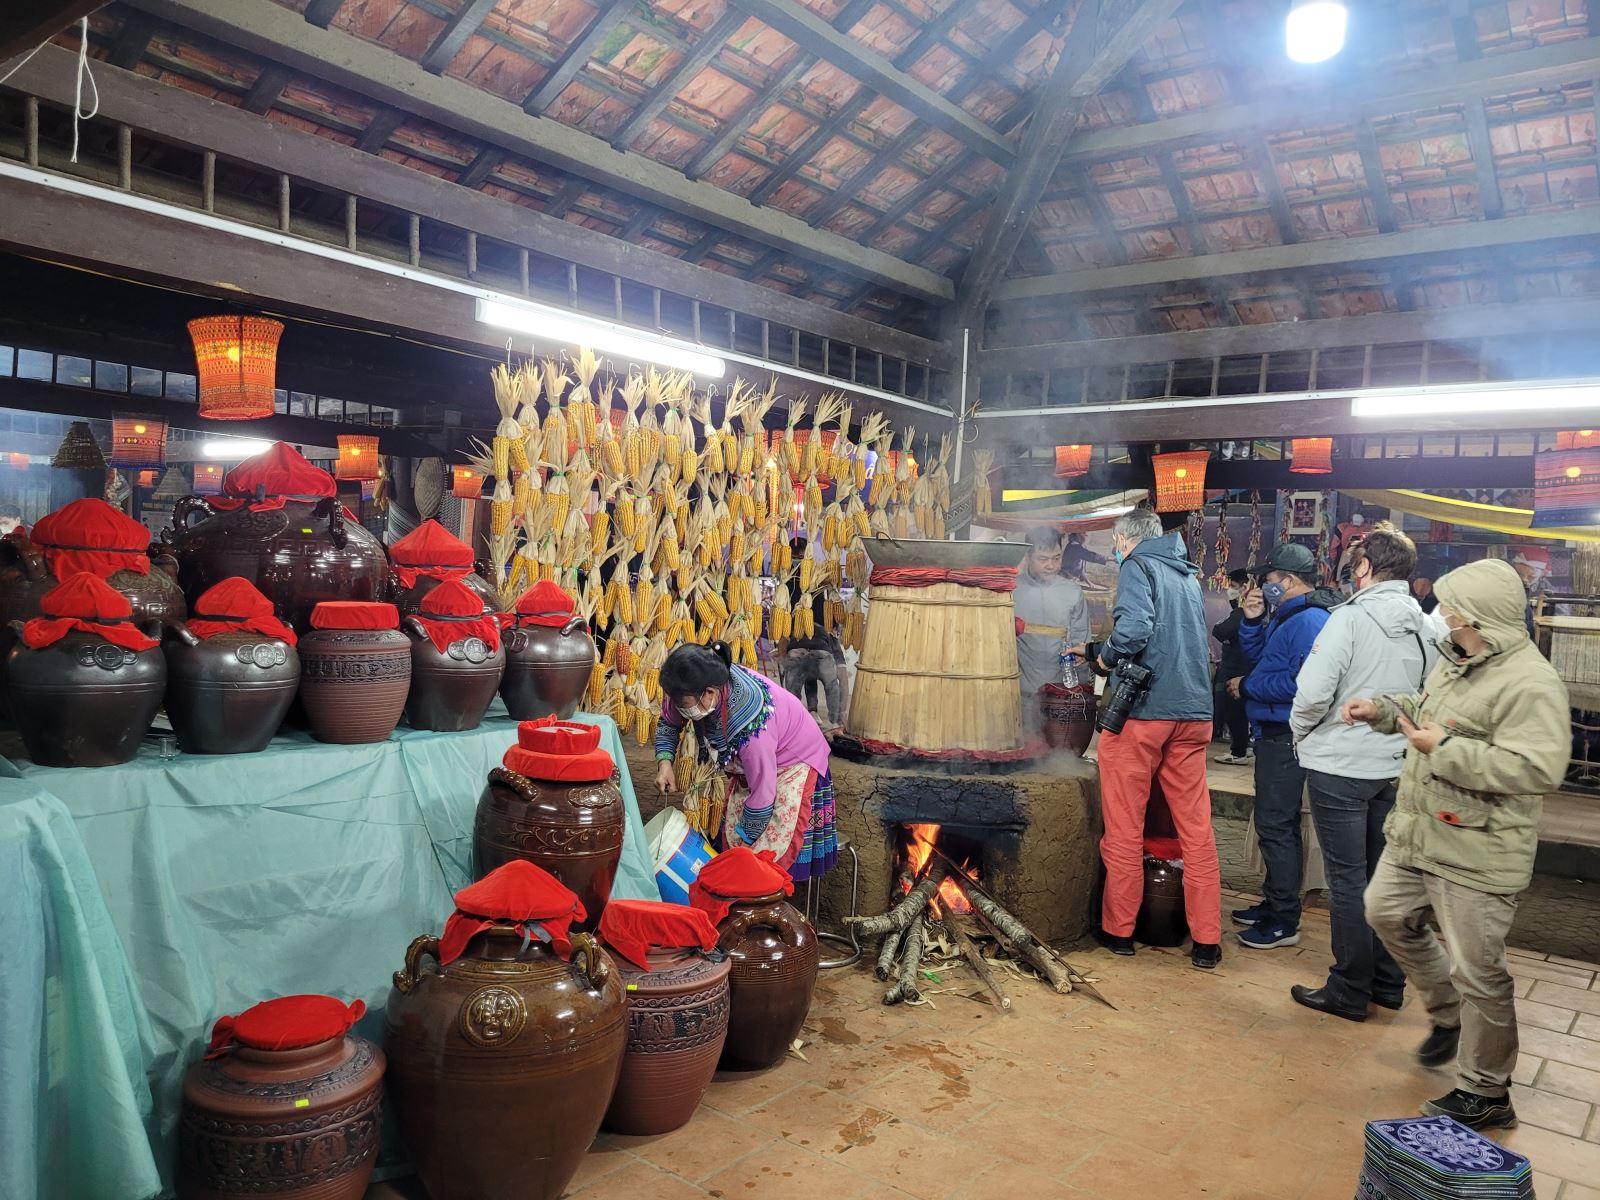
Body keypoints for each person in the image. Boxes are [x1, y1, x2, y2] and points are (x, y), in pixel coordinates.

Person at [1349, 558, 1569, 1130]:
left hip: (1478, 849)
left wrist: (1443, 750)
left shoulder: (1530, 683)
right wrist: (1385, 711)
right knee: (1385, 911)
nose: (1441, 616)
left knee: (1482, 972)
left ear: (1476, 618)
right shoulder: (1458, 661)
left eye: (1449, 609)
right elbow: (1427, 717)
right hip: (1422, 833)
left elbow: (1538, 768)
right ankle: (1448, 1014)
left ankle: (1487, 1090)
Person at [1287, 523, 1436, 1021]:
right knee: (1382, 876)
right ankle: (1388, 984)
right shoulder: (1426, 624)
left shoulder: (1348, 620)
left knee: (1347, 880)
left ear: (1366, 568)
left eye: (1354, 566)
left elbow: (1311, 693)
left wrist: (1302, 734)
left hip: (1340, 765)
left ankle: (1349, 989)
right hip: (1395, 766)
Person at [1064, 507, 1223, 969]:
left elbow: (1134, 630)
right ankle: (1207, 941)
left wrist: (1103, 659)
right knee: (1196, 831)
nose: (1115, 550)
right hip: (1194, 713)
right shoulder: (1187, 575)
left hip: (1145, 715)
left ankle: (1119, 931)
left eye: (1116, 543)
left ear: (1125, 538)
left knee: (1124, 826)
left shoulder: (1138, 565)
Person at [1229, 542, 1341, 950]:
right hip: (1272, 731)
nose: (1265, 584)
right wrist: (1252, 618)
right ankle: (1273, 902)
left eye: (1270, 578)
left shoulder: (1309, 620)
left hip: (1286, 735)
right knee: (1273, 823)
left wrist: (1248, 686)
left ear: (1289, 580)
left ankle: (1283, 919)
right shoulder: (1286, 615)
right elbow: (1261, 657)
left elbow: (1302, 684)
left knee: (1277, 825)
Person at [654, 640, 838, 882]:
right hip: (758, 765)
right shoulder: (688, 690)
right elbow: (669, 722)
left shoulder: (752, 729)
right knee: (739, 851)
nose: (679, 708)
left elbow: (763, 793)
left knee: (758, 856)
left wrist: (745, 838)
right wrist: (665, 763)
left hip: (795, 760)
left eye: (683, 704)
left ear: (709, 693)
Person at [1014, 527, 1091, 734]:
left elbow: (1081, 644)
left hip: (1060, 696)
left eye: (1056, 558)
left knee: (1058, 752)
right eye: (1043, 559)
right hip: (1021, 693)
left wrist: (1080, 691)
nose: (1051, 565)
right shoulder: (1011, 590)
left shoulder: (1072, 592)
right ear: (1028, 557)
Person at [1212, 568, 1252, 765]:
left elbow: (1220, 630)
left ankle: (1238, 752)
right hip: (1239, 667)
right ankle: (1244, 746)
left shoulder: (1242, 614)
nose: (1230, 590)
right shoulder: (1240, 613)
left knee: (1234, 711)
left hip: (1237, 669)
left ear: (1245, 587)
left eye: (1234, 587)